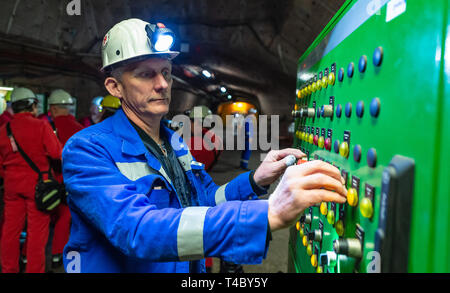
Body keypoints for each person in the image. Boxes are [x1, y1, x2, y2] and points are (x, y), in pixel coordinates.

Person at [61, 18, 347, 273]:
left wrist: (255, 180)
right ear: (114, 87)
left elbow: (206, 200)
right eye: (146, 74)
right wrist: (267, 213)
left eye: (166, 71)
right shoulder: (86, 150)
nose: (162, 84)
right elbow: (136, 230)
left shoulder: (172, 140)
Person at [0, 87, 62, 273]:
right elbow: (56, 153)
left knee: (10, 231)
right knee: (37, 234)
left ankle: (8, 269)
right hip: (37, 186)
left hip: (11, 186)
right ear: (32, 105)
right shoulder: (41, 126)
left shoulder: (4, 129)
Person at [47, 89, 83, 268]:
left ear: (53, 108)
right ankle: (57, 254)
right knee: (66, 217)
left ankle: (25, 256)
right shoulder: (80, 129)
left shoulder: (45, 126)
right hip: (71, 182)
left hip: (46, 183)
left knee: (41, 221)